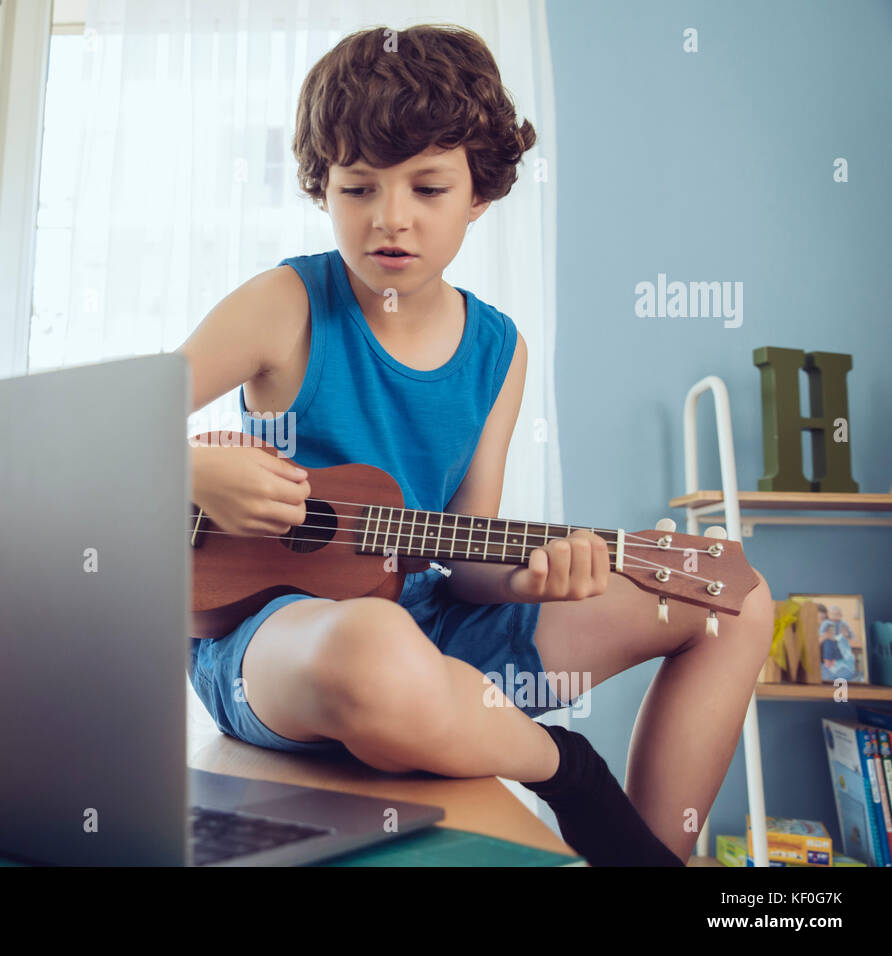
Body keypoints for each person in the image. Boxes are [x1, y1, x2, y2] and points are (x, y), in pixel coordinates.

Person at [177, 24, 774, 866]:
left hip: (432, 639)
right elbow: (96, 426)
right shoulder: (287, 303)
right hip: (279, 645)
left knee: (737, 605)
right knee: (371, 649)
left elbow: (465, 560)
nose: (391, 219)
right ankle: (566, 768)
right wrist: (194, 469)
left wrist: (542, 575)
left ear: (480, 196)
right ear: (322, 190)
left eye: (427, 187)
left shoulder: (498, 349)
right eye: (357, 189)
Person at [820, 604, 857, 681]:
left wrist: (852, 637)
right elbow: (821, 631)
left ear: (841, 615)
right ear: (829, 615)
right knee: (828, 651)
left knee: (839, 653)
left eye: (837, 614)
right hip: (829, 641)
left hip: (838, 643)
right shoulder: (826, 622)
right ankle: (828, 665)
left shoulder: (843, 623)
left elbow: (849, 631)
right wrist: (822, 635)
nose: (834, 617)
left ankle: (836, 666)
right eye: (832, 614)